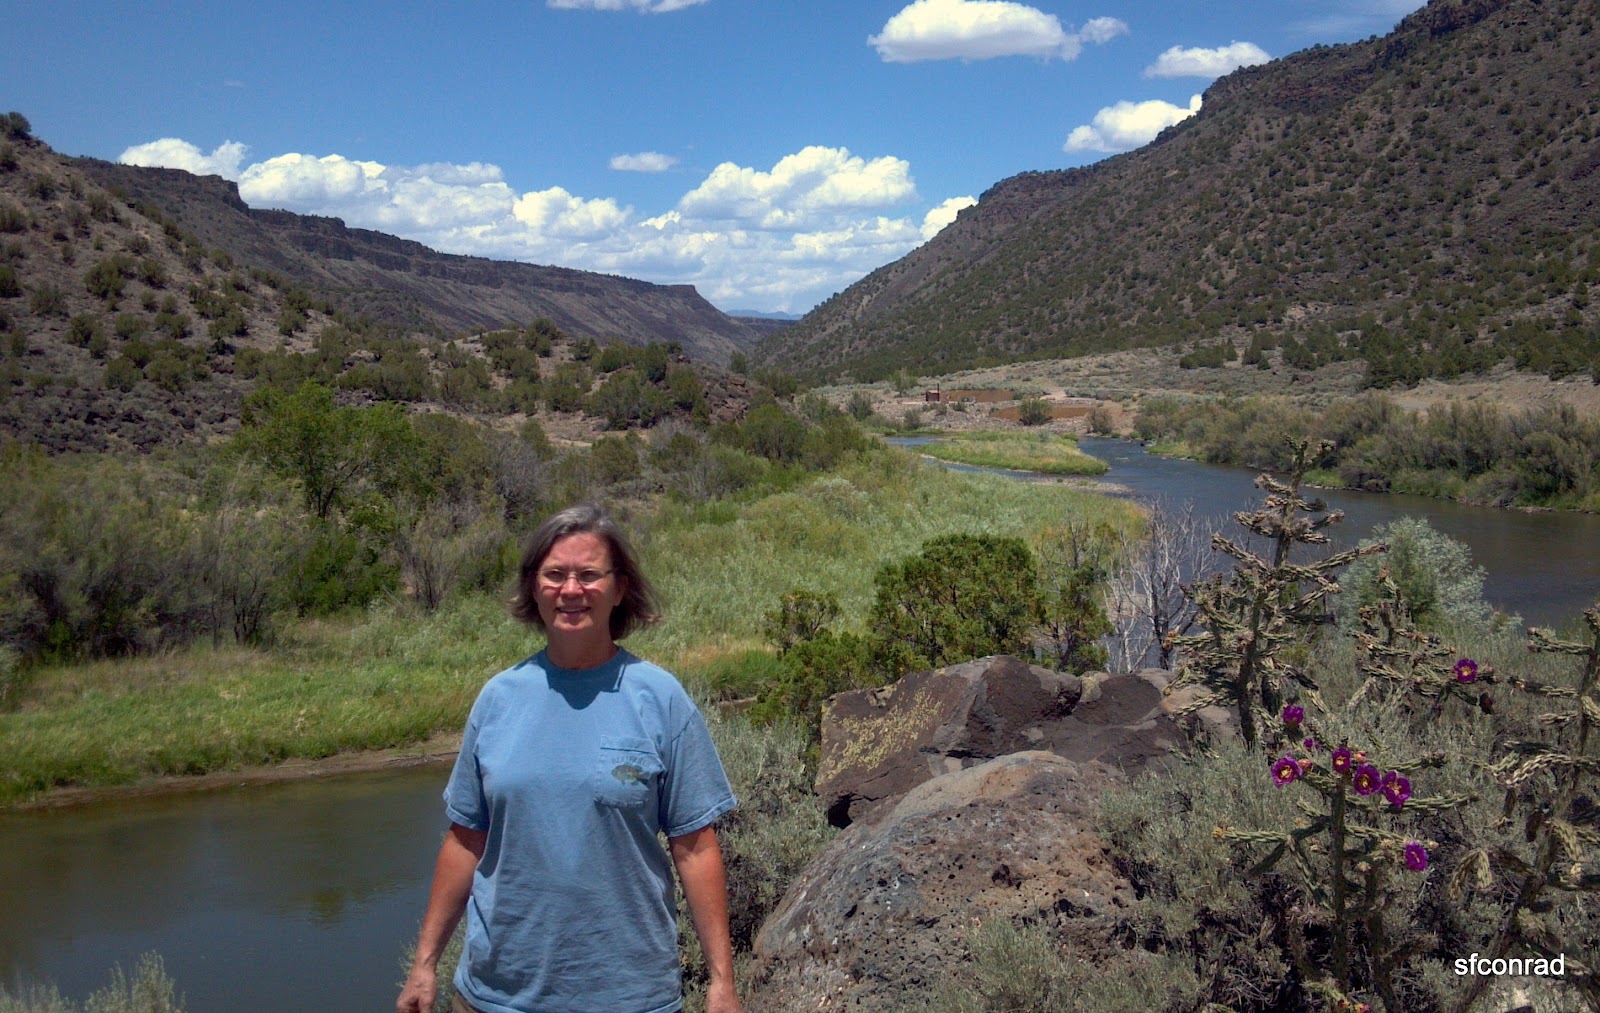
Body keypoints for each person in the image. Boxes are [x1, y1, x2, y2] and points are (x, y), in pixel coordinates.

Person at [398, 504, 742, 1013]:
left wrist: (722, 983)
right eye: (555, 574)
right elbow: (466, 838)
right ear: (534, 588)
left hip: (628, 996)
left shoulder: (660, 698)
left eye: (589, 575)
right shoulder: (498, 699)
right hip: (495, 996)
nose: (571, 590)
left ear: (620, 588)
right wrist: (424, 965)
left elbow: (695, 848)